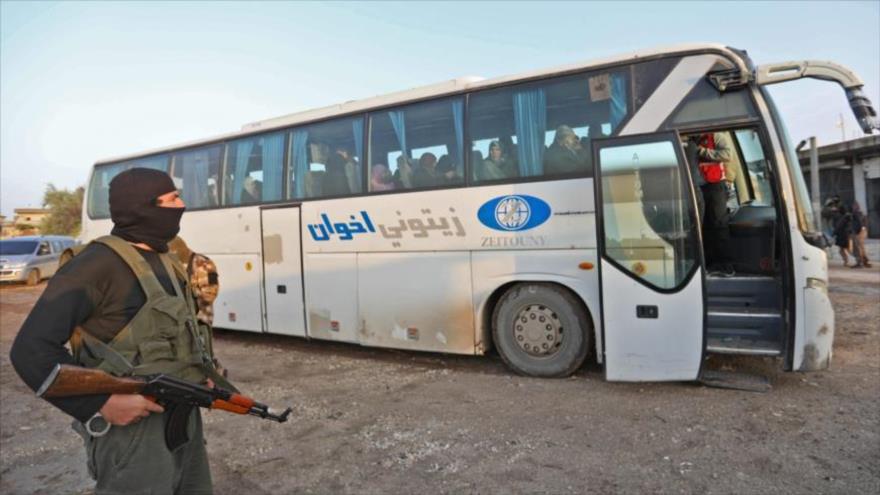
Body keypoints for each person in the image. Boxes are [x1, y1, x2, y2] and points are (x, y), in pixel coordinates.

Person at [9, 168, 229, 494]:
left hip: (183, 422)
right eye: (172, 199)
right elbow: (30, 351)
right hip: (133, 434)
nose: (182, 205)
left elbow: (181, 332)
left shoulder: (168, 260)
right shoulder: (96, 265)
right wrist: (100, 403)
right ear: (143, 207)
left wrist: (201, 373)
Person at [695, 132, 735, 276]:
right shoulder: (693, 140)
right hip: (701, 187)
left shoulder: (716, 136)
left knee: (719, 224)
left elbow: (727, 154)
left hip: (716, 185)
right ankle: (711, 263)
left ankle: (726, 265)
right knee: (706, 226)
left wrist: (702, 151)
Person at [849, 201, 872, 268]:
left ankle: (860, 262)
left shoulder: (855, 214)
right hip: (862, 232)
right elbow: (864, 223)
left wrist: (859, 231)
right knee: (861, 247)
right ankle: (865, 261)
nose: (852, 207)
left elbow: (859, 223)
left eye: (853, 206)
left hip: (857, 232)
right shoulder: (861, 214)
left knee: (856, 248)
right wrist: (863, 229)